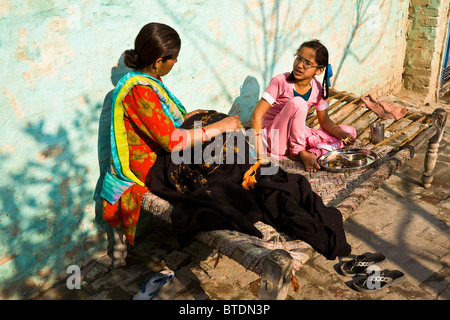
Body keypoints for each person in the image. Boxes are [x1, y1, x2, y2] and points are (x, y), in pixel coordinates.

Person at [100, 22, 241, 245]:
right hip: (150, 163)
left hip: (163, 151)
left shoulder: (148, 82)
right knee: (217, 168)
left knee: (215, 125)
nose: (176, 62)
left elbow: (160, 123)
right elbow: (172, 142)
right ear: (158, 61)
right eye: (173, 58)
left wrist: (193, 118)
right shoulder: (139, 91)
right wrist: (220, 127)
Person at [250, 40, 357, 172]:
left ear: (319, 70)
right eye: (298, 58)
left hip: (294, 137)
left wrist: (341, 134)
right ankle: (299, 152)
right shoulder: (280, 81)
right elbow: (256, 116)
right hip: (274, 139)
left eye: (307, 63)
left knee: (350, 131)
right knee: (298, 102)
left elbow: (324, 121)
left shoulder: (318, 89)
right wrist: (260, 152)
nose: (300, 65)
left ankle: (312, 154)